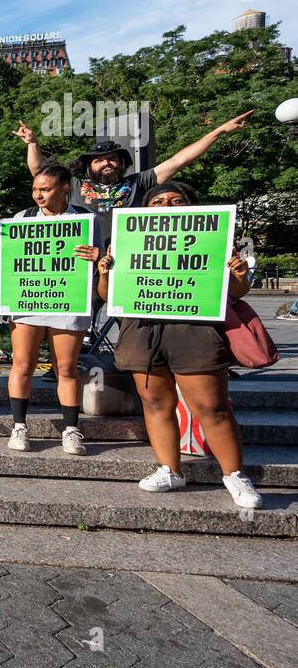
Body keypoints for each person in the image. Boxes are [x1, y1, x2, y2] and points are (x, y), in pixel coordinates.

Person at [96, 181, 260, 509]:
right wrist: (104, 272)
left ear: (190, 206)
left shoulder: (215, 238)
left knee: (212, 406)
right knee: (155, 402)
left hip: (194, 329)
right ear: (146, 209)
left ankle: (235, 474)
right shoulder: (125, 241)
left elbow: (236, 292)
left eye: (176, 200)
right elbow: (107, 296)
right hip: (142, 330)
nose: (167, 206)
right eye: (158, 202)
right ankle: (170, 468)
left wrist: (240, 273)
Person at [0, 165, 101, 455]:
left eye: (46, 189)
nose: (38, 195)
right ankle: (19, 426)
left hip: (67, 299)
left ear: (65, 188)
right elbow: (13, 256)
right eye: (35, 189)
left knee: (66, 368)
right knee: (22, 364)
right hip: (28, 299)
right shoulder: (21, 219)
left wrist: (98, 256)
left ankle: (72, 430)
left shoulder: (86, 220)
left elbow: (101, 261)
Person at [18, 112, 253, 244]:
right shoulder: (76, 186)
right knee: (84, 328)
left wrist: (219, 131)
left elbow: (179, 160)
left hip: (128, 260)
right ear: (89, 166)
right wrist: (32, 144)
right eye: (99, 160)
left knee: (131, 327)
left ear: (122, 163)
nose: (106, 163)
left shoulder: (139, 182)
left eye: (112, 159)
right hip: (86, 260)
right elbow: (40, 173)